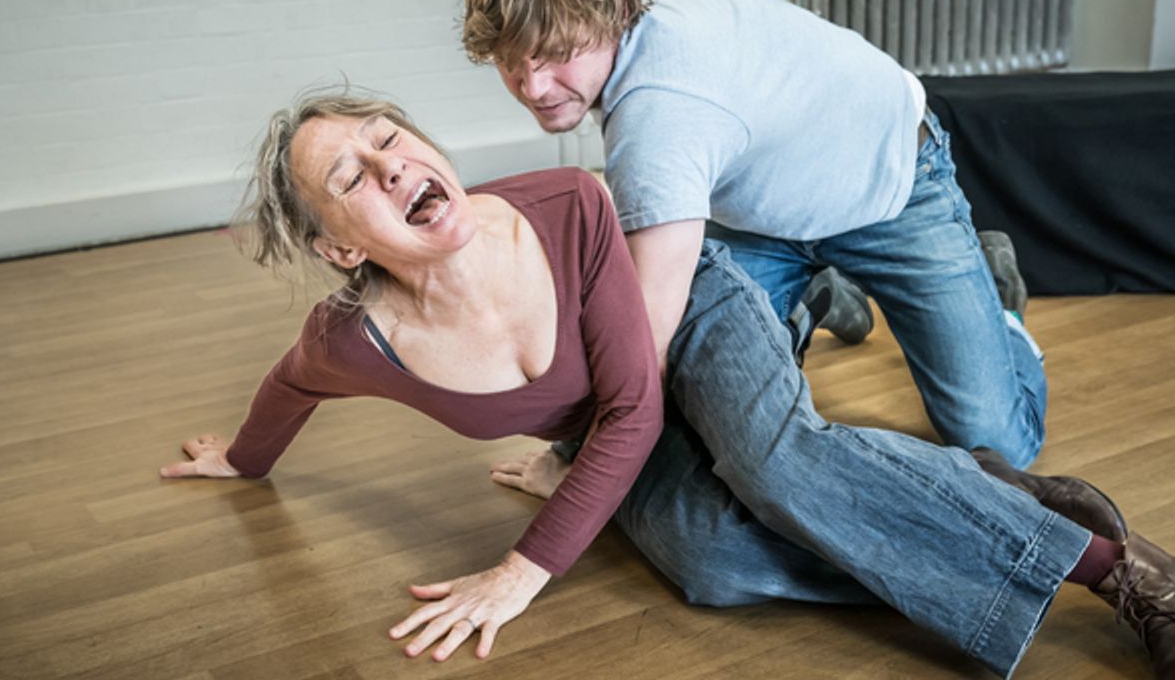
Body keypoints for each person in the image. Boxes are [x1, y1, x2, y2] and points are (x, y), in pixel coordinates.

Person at [160, 91, 1174, 676]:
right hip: (611, 415)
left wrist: (526, 565)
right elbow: (288, 385)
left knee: (777, 460)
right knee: (709, 560)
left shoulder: (566, 203)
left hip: (690, 315)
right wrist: (241, 462)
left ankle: (1111, 569)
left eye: (385, 135)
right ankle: (1001, 498)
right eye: (348, 178)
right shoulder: (356, 338)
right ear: (340, 250)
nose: (386, 164)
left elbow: (638, 400)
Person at [462, 0, 1046, 471]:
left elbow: (643, 344)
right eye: (512, 60)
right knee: (711, 396)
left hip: (890, 181)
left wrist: (572, 463)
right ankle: (820, 293)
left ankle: (1000, 313)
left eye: (557, 54)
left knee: (998, 447)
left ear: (613, 8)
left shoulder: (658, 123)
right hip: (763, 212)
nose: (534, 86)